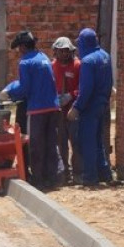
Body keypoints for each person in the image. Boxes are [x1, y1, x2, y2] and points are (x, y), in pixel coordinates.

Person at [0, 30, 63, 190]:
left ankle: (38, 180)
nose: (18, 51)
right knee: (51, 143)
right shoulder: (44, 58)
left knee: (35, 145)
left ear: (22, 47)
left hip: (37, 109)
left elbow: (24, 88)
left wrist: (9, 91)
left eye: (18, 48)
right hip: (53, 106)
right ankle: (53, 178)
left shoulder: (25, 62)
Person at [67, 28, 114, 187]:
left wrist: (76, 107)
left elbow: (86, 88)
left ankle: (90, 178)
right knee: (98, 141)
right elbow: (109, 83)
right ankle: (105, 174)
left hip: (89, 107)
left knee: (87, 141)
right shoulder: (106, 56)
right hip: (102, 104)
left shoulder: (87, 61)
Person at [51, 36, 81, 182]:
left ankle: (77, 172)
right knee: (61, 142)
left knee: (76, 141)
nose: (64, 54)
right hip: (58, 111)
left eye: (66, 51)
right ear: (55, 52)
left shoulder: (77, 66)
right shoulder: (52, 67)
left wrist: (71, 95)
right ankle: (64, 173)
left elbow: (83, 87)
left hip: (73, 110)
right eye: (61, 51)